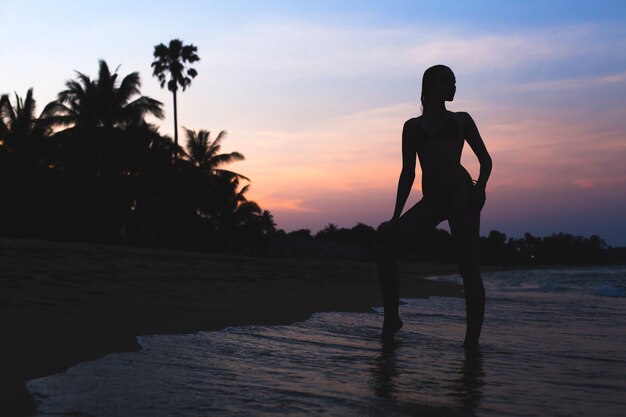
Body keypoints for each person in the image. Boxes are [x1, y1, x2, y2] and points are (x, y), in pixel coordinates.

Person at [376, 65, 492, 349]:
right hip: (432, 200)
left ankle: (471, 343)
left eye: (454, 82)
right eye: (446, 82)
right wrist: (395, 216)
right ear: (429, 87)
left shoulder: (462, 120)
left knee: (469, 268)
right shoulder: (411, 127)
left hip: (460, 195)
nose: (452, 86)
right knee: (386, 248)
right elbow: (408, 173)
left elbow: (485, 161)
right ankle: (392, 318)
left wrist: (480, 189)